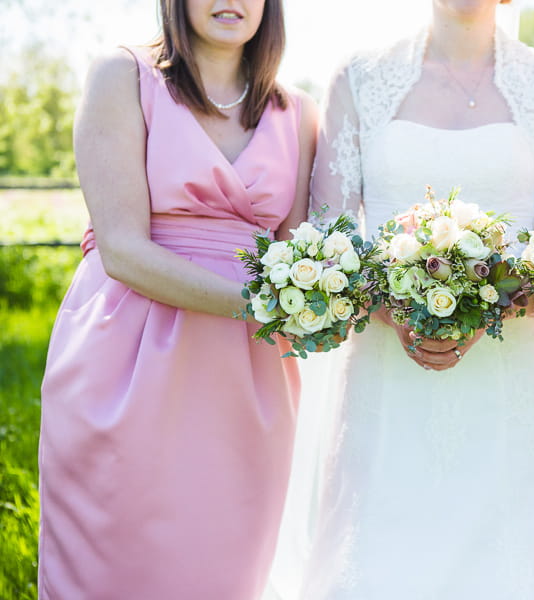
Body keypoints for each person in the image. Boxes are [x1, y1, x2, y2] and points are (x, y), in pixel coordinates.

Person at [267, 1, 534, 598]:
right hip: (384, 374)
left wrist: (483, 309)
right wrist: (395, 308)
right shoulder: (359, 78)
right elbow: (325, 240)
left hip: (513, 378)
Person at [38, 1, 317, 598]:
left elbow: (300, 259)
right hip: (129, 354)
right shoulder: (123, 76)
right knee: (118, 556)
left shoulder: (299, 115)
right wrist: (263, 304)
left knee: (227, 565)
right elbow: (121, 249)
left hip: (250, 373)